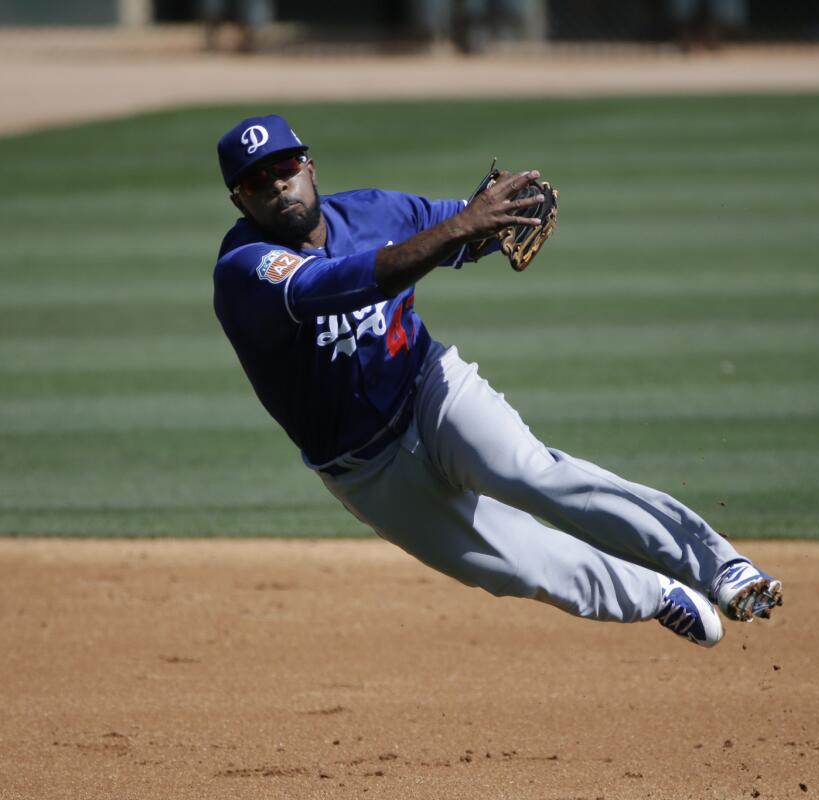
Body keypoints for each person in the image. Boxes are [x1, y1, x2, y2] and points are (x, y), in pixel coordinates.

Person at [212, 114, 782, 647]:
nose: (277, 185)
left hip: (431, 388)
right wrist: (462, 225)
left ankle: (719, 565)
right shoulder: (245, 266)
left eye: (285, 168)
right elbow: (346, 280)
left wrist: (493, 219)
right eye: (257, 180)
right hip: (364, 468)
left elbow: (466, 230)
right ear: (239, 199)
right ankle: (658, 594)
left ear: (309, 166)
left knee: (532, 473)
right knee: (518, 563)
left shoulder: (375, 212)